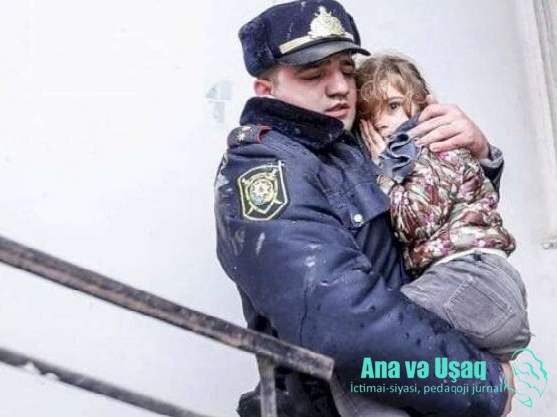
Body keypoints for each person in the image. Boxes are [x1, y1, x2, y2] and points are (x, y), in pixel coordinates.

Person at [213, 1, 514, 416]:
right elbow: (343, 320)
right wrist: (478, 383)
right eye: (313, 74)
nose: (339, 87)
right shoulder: (264, 170)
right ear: (267, 90)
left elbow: (434, 233)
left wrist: (476, 155)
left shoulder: (354, 143)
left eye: (347, 70)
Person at [355, 54, 531, 361]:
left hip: (470, 276)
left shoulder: (433, 149)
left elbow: (414, 221)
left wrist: (385, 172)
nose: (382, 121)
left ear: (422, 103)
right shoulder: (409, 156)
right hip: (459, 279)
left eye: (393, 106)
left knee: (377, 328)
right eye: (371, 114)